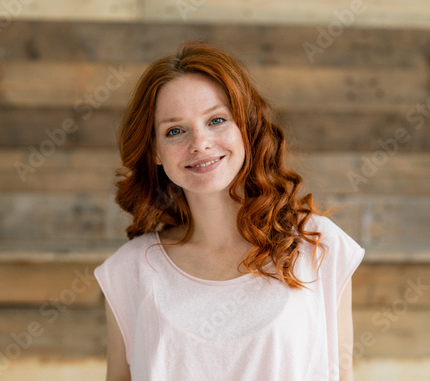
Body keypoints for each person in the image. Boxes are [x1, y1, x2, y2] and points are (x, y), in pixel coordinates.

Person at [94, 39, 364, 381]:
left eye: (217, 120)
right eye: (175, 130)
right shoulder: (127, 270)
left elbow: (341, 372)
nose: (200, 143)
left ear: (246, 128)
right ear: (155, 152)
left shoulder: (318, 245)